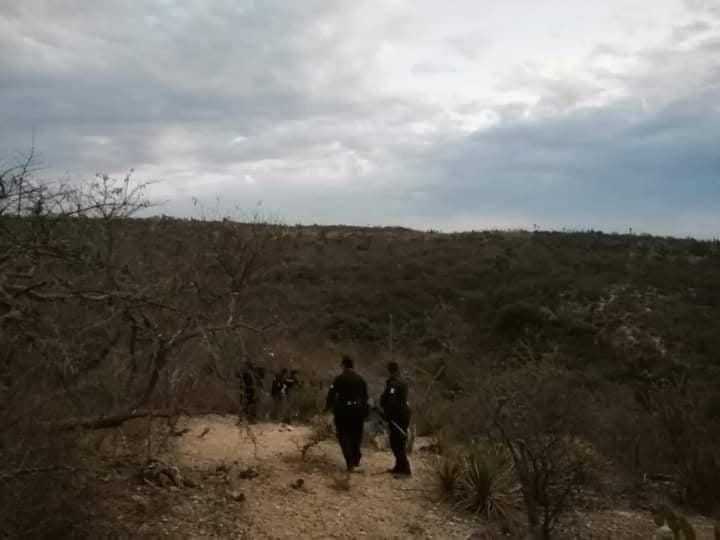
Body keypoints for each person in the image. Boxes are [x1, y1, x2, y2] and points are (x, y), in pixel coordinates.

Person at [325, 355, 369, 472]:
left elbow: (331, 394)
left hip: (343, 410)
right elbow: (365, 397)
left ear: (343, 365)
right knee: (356, 436)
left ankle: (350, 463)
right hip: (358, 411)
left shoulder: (339, 378)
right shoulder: (361, 379)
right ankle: (356, 458)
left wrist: (327, 408)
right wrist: (365, 412)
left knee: (343, 435)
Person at [380, 361, 412, 476]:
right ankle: (399, 466)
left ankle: (405, 469)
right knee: (397, 441)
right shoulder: (402, 381)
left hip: (398, 416)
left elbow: (392, 402)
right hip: (402, 415)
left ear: (390, 370)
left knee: (397, 442)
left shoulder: (394, 383)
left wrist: (388, 414)